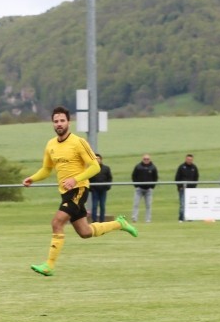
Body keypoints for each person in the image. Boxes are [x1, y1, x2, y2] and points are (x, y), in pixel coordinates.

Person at [23, 107, 137, 277]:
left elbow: (95, 167)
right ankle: (119, 224)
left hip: (79, 189)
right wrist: (32, 178)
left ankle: (49, 265)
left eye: (62, 120)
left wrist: (75, 179)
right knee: (85, 232)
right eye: (56, 121)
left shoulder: (78, 142)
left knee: (57, 222)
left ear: (69, 122)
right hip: (65, 192)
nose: (59, 124)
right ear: (53, 124)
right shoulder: (51, 145)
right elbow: (47, 169)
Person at [131, 154, 158, 223]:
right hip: (139, 189)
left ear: (150, 159)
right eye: (145, 159)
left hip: (148, 190)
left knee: (148, 205)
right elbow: (134, 176)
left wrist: (152, 186)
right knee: (136, 204)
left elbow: (155, 177)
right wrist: (136, 185)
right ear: (142, 159)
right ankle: (134, 218)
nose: (146, 160)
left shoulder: (153, 167)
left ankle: (148, 220)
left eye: (147, 159)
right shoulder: (138, 167)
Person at [174, 154, 199, 222]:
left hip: (191, 190)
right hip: (183, 189)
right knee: (182, 204)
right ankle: (181, 218)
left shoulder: (194, 168)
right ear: (185, 159)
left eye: (190, 159)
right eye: (188, 159)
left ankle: (190, 218)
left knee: (191, 204)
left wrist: (194, 187)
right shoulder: (181, 167)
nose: (189, 161)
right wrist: (180, 187)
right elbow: (177, 178)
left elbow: (196, 178)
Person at [88, 153, 112, 222]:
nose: (98, 160)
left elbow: (109, 178)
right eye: (96, 159)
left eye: (99, 159)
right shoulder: (91, 168)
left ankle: (102, 220)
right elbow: (88, 179)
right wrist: (91, 188)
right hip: (94, 190)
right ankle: (94, 220)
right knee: (94, 206)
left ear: (101, 160)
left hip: (103, 190)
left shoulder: (106, 168)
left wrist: (107, 187)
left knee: (102, 206)